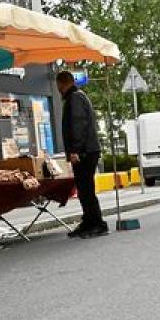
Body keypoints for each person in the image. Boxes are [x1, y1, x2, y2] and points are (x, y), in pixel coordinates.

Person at [56, 71, 108, 238]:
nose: (58, 89)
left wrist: (75, 151)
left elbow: (78, 125)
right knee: (84, 189)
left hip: (85, 152)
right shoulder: (78, 96)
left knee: (86, 189)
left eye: (59, 86)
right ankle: (89, 220)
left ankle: (97, 223)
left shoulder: (75, 98)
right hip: (87, 150)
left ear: (61, 84)